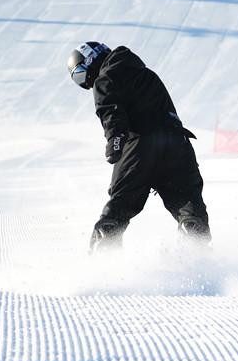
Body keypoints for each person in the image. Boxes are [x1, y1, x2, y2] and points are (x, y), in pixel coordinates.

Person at [67, 42, 211, 253]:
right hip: (177, 143)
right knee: (188, 203)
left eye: (80, 74)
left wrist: (115, 142)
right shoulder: (143, 71)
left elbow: (111, 112)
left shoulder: (104, 78)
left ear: (91, 61)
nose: (85, 83)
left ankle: (104, 261)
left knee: (120, 205)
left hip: (140, 147)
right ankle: (197, 257)